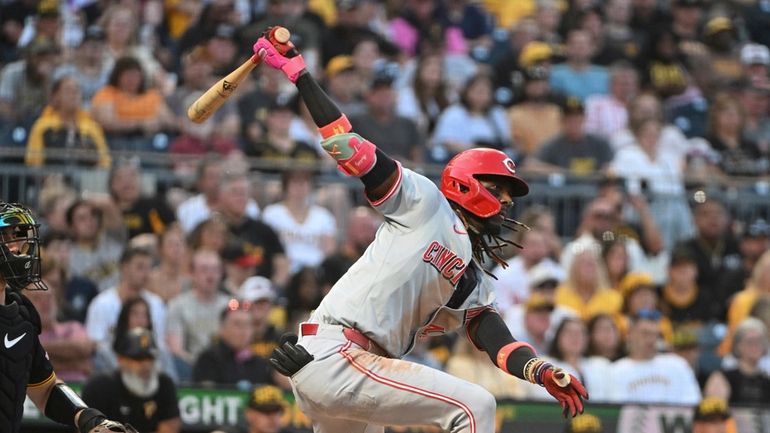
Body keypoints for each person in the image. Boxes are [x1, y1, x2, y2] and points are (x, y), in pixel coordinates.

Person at [252, 28, 588, 433]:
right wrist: (301, 75)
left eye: (508, 196)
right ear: (467, 182)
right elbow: (350, 147)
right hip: (336, 355)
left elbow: (497, 342)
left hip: (349, 366)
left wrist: (540, 371)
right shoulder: (426, 201)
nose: (505, 203)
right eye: (498, 189)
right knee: (474, 406)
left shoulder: (470, 275)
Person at [0, 201, 139, 433]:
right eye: (4, 238)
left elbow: (46, 390)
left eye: (18, 237)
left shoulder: (21, 316)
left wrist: (89, 419)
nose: (16, 247)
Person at [82, 327, 181, 433]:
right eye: (138, 359)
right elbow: (91, 428)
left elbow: (170, 427)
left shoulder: (164, 384)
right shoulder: (99, 387)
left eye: (150, 358)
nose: (146, 365)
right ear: (121, 360)